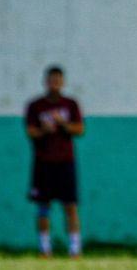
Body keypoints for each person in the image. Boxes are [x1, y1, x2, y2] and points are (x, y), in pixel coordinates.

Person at [25, 65, 85, 257]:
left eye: (58, 81)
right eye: (51, 80)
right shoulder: (35, 106)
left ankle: (75, 249)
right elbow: (30, 132)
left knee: (70, 206)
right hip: (43, 162)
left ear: (62, 82)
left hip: (65, 162)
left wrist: (63, 124)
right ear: (45, 82)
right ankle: (45, 249)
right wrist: (44, 130)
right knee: (43, 206)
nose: (54, 84)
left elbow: (80, 129)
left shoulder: (71, 104)